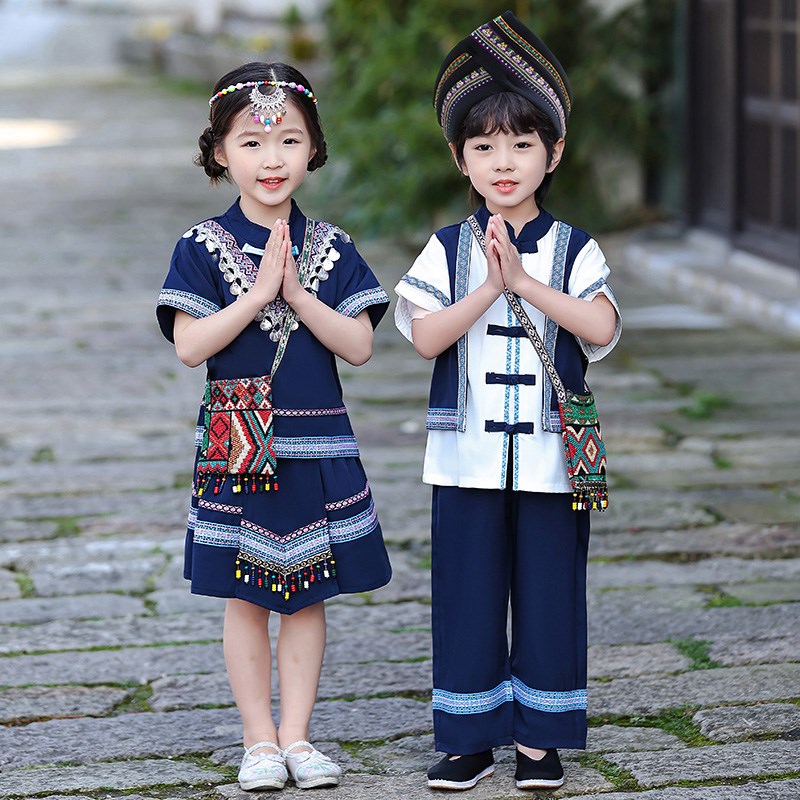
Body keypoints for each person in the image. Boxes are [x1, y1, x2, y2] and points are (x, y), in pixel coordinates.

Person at [394, 11, 622, 792]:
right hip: (465, 459)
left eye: (522, 144)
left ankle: (540, 740)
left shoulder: (573, 247)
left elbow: (600, 325)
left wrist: (525, 285)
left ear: (552, 153)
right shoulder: (446, 248)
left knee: (553, 592)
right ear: (460, 158)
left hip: (555, 457)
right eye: (484, 146)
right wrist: (488, 286)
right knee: (466, 594)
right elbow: (425, 337)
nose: (503, 161)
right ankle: (466, 737)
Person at [157, 61, 392, 792]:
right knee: (244, 594)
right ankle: (258, 740)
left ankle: (298, 737)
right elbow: (191, 347)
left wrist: (294, 291)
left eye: (289, 140)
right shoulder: (200, 246)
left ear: (312, 149)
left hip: (316, 445)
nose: (272, 159)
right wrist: (258, 294)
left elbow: (358, 345)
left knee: (308, 592)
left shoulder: (333, 247)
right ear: (220, 153)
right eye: (252, 143)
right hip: (239, 448)